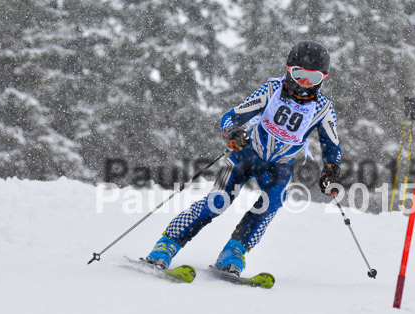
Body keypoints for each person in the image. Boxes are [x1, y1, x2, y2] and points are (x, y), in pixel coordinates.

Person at [145, 40, 342, 276]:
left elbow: (331, 144)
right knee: (218, 201)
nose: (304, 84)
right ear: (288, 69)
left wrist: (331, 168)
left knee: (272, 203)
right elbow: (231, 117)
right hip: (246, 154)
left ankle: (234, 252)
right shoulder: (272, 90)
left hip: (279, 164)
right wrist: (232, 132)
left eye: (314, 78)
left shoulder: (323, 108)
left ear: (324, 78)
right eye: (299, 75)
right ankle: (167, 244)